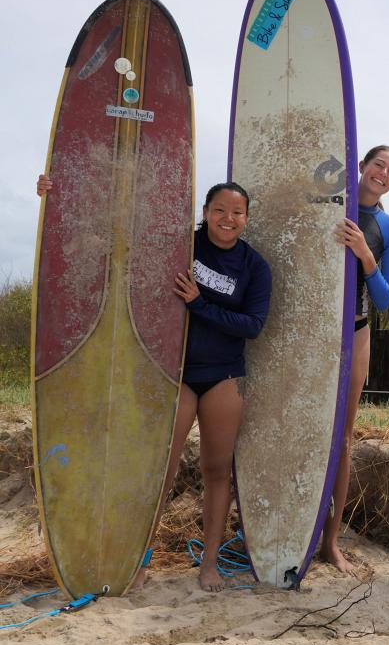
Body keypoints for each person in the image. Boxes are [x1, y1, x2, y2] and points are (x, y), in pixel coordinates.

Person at [36, 175, 272, 593]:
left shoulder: (254, 266)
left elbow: (252, 326)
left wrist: (199, 304)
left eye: (237, 212)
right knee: (157, 470)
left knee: (217, 471)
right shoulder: (179, 244)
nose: (227, 218)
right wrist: (60, 197)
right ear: (204, 213)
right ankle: (139, 558)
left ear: (247, 219)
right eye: (219, 210)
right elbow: (117, 235)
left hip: (224, 376)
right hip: (174, 371)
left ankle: (210, 564)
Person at [319, 145, 389, 572]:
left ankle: (331, 542)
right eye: (378, 164)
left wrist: (366, 256)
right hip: (313, 331)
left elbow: (386, 300)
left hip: (356, 331)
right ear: (361, 165)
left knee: (344, 438)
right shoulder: (327, 202)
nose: (383, 174)